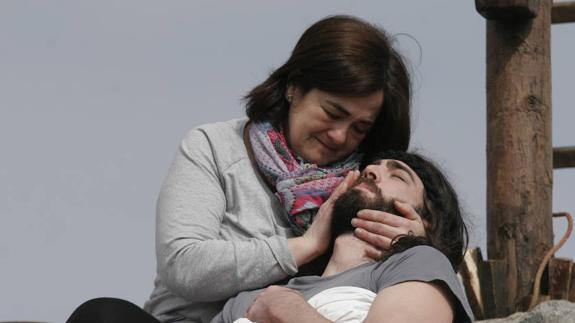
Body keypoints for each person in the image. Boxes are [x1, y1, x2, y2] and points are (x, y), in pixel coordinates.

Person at [66, 15, 427, 323]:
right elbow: (183, 265)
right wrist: (304, 246)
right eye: (333, 113)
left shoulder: (368, 185)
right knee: (102, 315)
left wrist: (413, 243)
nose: (339, 135)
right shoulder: (213, 146)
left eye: (359, 128)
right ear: (293, 87)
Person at [212, 151, 473, 323]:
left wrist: (286, 309)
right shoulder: (248, 299)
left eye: (397, 176)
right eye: (369, 168)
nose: (370, 171)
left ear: (426, 219)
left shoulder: (421, 264)